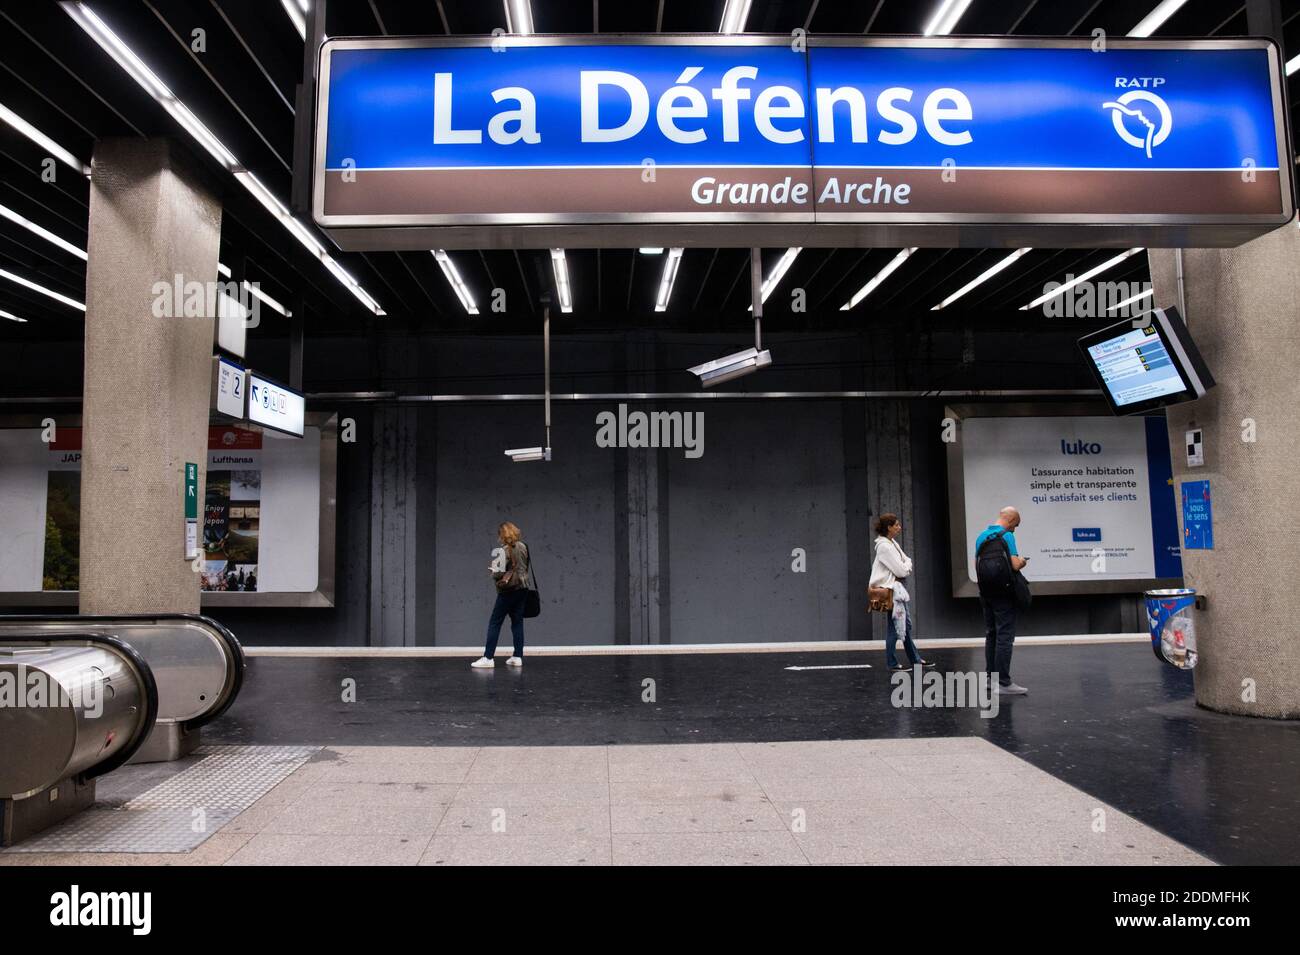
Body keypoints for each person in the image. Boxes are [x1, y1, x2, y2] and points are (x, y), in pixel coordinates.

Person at [974, 506, 1029, 695]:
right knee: (1005, 635)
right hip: (1004, 594)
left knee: (992, 634)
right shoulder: (1007, 536)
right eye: (1016, 526)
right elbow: (1014, 564)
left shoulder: (981, 536)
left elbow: (977, 565)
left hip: (986, 592)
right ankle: (1004, 682)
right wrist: (1022, 561)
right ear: (1012, 521)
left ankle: (990, 678)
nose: (1015, 529)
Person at [870, 513, 933, 671]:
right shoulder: (884, 546)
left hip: (897, 591)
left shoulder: (892, 543)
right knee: (895, 627)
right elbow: (901, 570)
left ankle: (915, 659)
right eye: (896, 525)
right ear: (889, 527)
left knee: (904, 626)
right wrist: (906, 566)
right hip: (891, 591)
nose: (899, 528)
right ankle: (893, 663)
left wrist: (906, 565)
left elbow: (907, 560)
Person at [471, 521, 531, 669]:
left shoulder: (504, 550)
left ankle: (488, 657)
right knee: (517, 622)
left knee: (495, 622)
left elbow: (498, 573)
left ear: (502, 535)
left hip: (508, 591)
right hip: (523, 588)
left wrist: (493, 570)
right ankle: (517, 656)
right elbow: (524, 567)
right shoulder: (524, 546)